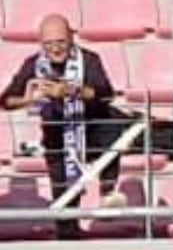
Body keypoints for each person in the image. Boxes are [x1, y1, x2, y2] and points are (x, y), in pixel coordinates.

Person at [2, 13, 127, 230]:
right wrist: (28, 99)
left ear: (71, 37)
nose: (56, 49)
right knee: (64, 202)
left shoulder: (88, 60)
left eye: (60, 42)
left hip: (93, 129)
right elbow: (6, 101)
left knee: (115, 121)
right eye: (49, 44)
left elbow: (105, 94)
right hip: (57, 137)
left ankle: (108, 191)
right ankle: (68, 237)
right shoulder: (33, 64)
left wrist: (71, 91)